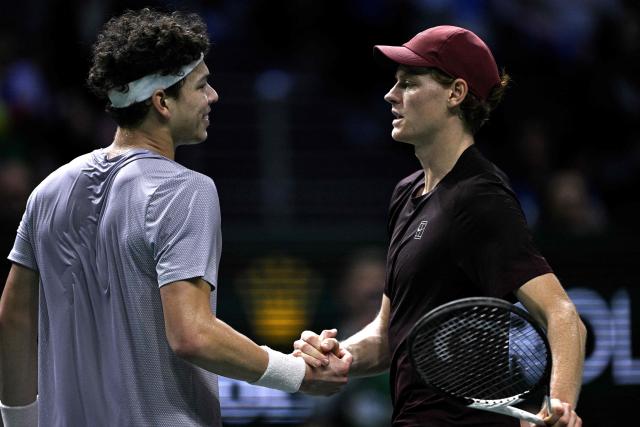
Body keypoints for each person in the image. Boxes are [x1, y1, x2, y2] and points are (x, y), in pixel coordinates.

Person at [0, 8, 350, 427]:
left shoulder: (48, 190)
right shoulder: (185, 190)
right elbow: (192, 334)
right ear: (162, 101)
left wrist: (19, 422)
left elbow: (15, 318)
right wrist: (299, 374)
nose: (213, 96)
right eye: (201, 85)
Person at [293, 25, 586, 427]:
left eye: (409, 84)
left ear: (455, 93)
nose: (390, 95)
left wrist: (560, 403)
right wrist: (337, 355)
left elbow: (562, 314)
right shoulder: (406, 193)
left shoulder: (480, 197)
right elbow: (386, 334)